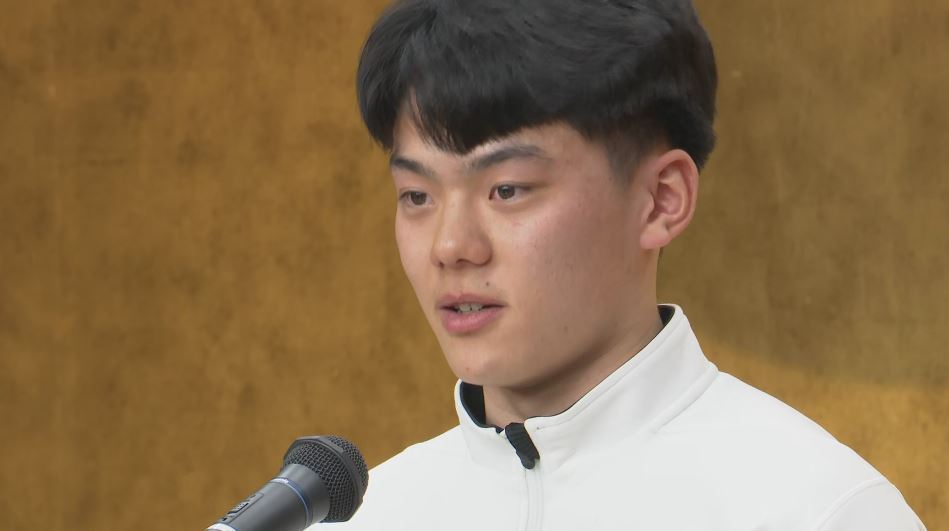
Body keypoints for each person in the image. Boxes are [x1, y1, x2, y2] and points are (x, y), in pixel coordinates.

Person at [325, 0, 927, 529]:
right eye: (417, 196)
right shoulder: (366, 516)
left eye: (506, 189)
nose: (451, 245)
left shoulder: (817, 512)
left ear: (661, 200)